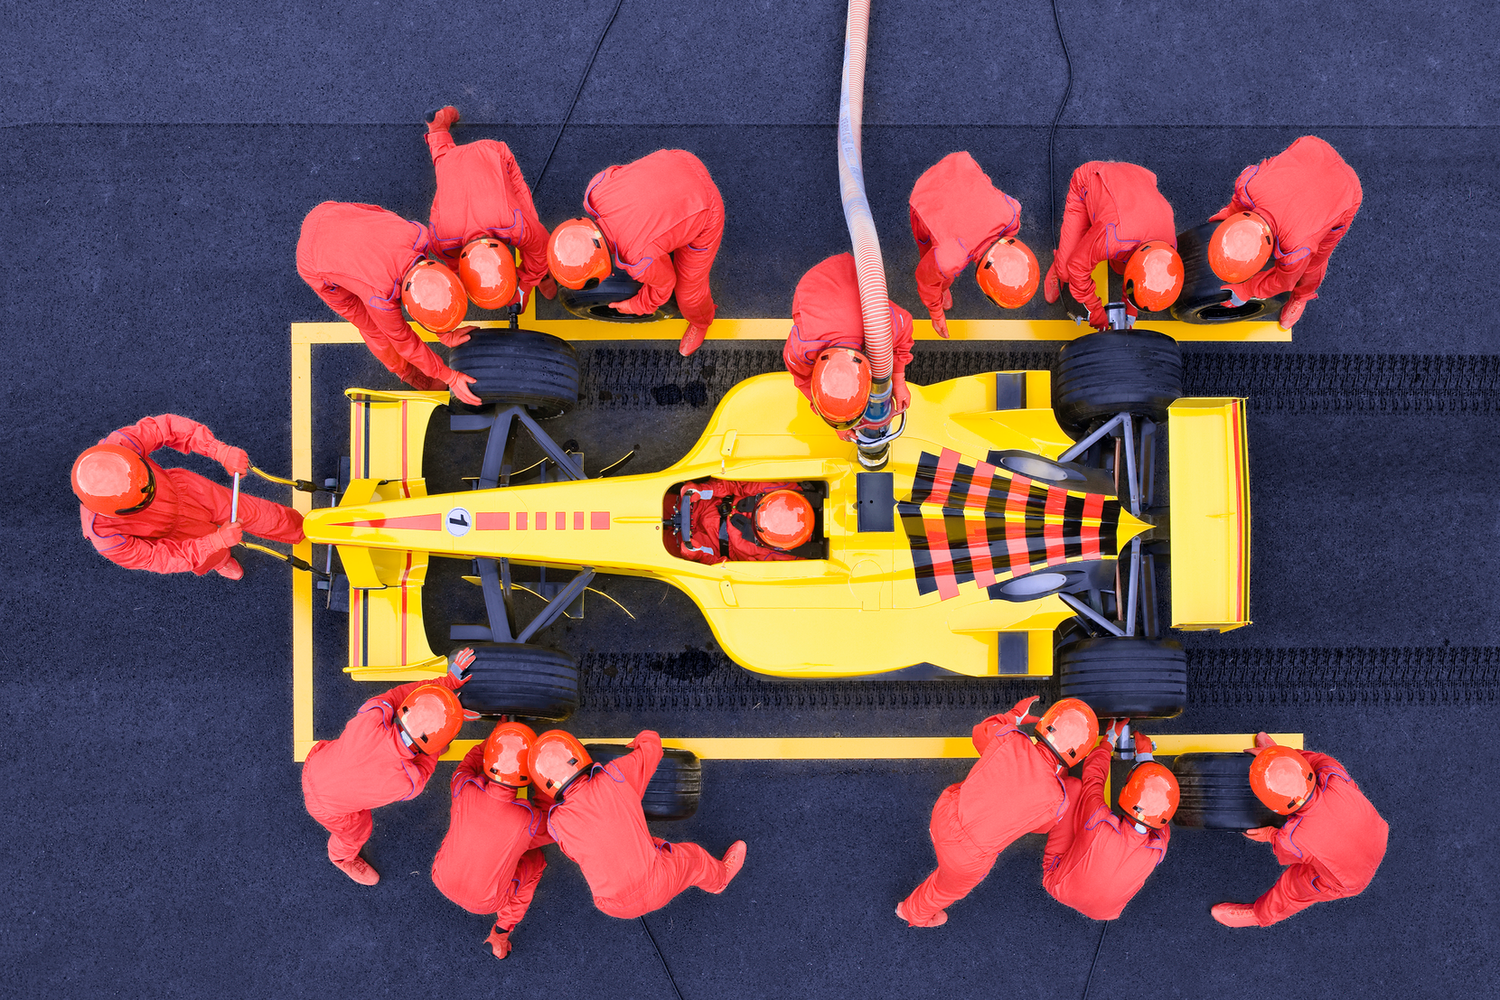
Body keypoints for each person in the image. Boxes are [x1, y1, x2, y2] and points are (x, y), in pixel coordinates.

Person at [897, 696, 1097, 928]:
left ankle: (915, 910)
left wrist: (1013, 716)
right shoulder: (1057, 799)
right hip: (966, 860)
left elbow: (979, 734)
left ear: (1046, 723)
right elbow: (1042, 827)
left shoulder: (1009, 737)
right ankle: (908, 912)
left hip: (944, 814)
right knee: (941, 890)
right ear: (1077, 754)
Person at [301, 649, 474, 885]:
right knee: (358, 830)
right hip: (329, 808)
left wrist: (447, 682)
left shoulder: (374, 714)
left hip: (315, 764)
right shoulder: (409, 781)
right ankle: (341, 858)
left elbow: (401, 694)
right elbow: (429, 756)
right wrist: (446, 727)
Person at [532, 729, 746, 918]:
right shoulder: (615, 775)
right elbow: (653, 745)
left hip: (611, 906)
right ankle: (720, 880)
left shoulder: (556, 823)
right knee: (695, 857)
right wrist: (635, 744)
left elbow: (577, 853)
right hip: (658, 884)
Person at [72, 414, 302, 579]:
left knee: (258, 512)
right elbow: (158, 559)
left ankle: (303, 528)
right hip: (177, 537)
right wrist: (214, 543)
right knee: (211, 556)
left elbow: (167, 428)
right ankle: (221, 560)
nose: (150, 495)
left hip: (189, 491)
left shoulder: (120, 447)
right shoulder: (106, 539)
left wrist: (218, 450)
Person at [296, 201, 482, 404]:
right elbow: (406, 344)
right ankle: (412, 374)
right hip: (313, 260)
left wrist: (445, 333)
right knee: (374, 329)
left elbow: (380, 213)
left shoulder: (419, 235)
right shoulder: (381, 299)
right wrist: (449, 376)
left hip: (331, 213)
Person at [547, 149, 724, 356]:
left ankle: (701, 320)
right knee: (655, 235)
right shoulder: (595, 191)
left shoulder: (639, 261)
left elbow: (666, 284)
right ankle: (671, 229)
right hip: (680, 160)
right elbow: (620, 173)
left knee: (689, 295)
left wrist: (637, 305)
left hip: (707, 208)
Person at [1211, 733, 1388, 928]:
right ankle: (1281, 759)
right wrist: (1279, 760)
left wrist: (1270, 834)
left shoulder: (1292, 838)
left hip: (1347, 880)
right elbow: (1313, 760)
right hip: (1376, 836)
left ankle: (1260, 915)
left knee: (1291, 890)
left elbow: (1284, 852)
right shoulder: (1331, 774)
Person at [1207, 135, 1362, 331]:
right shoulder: (1247, 186)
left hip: (1346, 193)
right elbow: (1238, 204)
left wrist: (1247, 288)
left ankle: (1302, 296)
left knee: (1314, 264)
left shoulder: (1296, 250)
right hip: (1312, 149)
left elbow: (1282, 281)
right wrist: (1227, 215)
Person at [432, 721, 553, 960]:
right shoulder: (527, 819)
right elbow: (552, 819)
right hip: (486, 902)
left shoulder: (463, 785)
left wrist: (498, 736)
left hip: (441, 877)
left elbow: (473, 759)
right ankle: (500, 932)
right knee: (536, 861)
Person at [423, 106, 555, 309]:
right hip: (466, 157)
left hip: (491, 153)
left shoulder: (513, 224)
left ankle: (543, 276)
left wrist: (525, 286)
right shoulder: (439, 240)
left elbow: (541, 249)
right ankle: (438, 129)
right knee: (446, 166)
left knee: (531, 220)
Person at [1042, 721, 1176, 920]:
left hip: (1058, 884)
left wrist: (1109, 740)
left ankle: (1053, 774)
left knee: (1073, 787)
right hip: (1105, 913)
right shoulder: (1158, 849)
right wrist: (1146, 761)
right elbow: (1161, 811)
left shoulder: (1100, 822)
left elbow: (1093, 777)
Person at [783, 253, 914, 439]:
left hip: (852, 274)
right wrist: (834, 418)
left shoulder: (883, 324)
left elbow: (904, 327)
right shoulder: (799, 351)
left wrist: (899, 381)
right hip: (815, 290)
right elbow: (804, 381)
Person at [909, 151, 1039, 337]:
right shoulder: (949, 259)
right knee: (930, 257)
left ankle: (943, 289)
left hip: (960, 166)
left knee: (939, 265)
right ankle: (943, 290)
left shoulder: (1010, 214)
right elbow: (925, 280)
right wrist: (936, 313)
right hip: (924, 197)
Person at [1043, 161, 1183, 329]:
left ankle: (1094, 227)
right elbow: (1077, 267)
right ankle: (1059, 261)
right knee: (1067, 271)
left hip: (1133, 181)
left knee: (1119, 267)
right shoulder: (1114, 239)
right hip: (1089, 180)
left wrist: (1131, 307)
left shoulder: (1169, 250)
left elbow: (1139, 271)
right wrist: (1094, 309)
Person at [673, 480, 814, 564]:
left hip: (706, 545)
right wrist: (704, 490)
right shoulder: (785, 490)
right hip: (705, 502)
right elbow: (738, 482)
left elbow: (738, 571)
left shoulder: (788, 558)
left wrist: (701, 555)